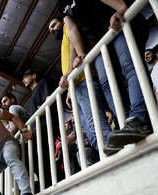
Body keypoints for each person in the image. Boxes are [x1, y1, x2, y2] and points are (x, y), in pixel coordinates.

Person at [56, 0, 153, 152]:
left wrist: (120, 7)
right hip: (100, 40)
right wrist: (80, 54)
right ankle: (127, 123)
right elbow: (72, 28)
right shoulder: (60, 3)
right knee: (107, 83)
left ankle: (140, 117)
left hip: (117, 21)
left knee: (130, 66)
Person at [48, 17, 115, 155]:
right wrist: (69, 90)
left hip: (84, 81)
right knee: (89, 129)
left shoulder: (68, 26)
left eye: (54, 25)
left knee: (95, 121)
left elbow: (74, 44)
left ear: (61, 21)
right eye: (50, 29)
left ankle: (113, 149)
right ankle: (105, 155)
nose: (52, 29)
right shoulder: (62, 42)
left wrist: (69, 73)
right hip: (75, 86)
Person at [22, 69, 60, 188]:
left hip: (45, 126)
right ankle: (46, 182)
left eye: (25, 77)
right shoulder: (32, 95)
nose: (23, 80)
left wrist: (44, 107)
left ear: (34, 76)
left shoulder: (42, 83)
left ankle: (51, 182)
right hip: (36, 130)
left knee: (44, 157)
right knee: (34, 158)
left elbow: (48, 98)